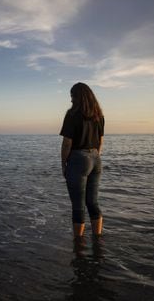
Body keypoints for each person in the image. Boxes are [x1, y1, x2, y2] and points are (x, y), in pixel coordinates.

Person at [60, 82, 105, 240]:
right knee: (92, 202)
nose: (71, 100)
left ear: (78, 97)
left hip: (78, 159)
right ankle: (97, 239)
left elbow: (67, 143)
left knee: (78, 206)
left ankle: (78, 244)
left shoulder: (72, 114)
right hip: (96, 159)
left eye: (72, 96)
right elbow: (100, 141)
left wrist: (64, 164)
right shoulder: (98, 115)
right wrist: (94, 156)